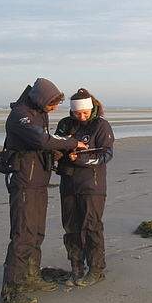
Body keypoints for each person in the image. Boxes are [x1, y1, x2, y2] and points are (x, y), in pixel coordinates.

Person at [0, 78, 88, 303]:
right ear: (41, 100)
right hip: (24, 183)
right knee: (23, 234)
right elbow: (41, 139)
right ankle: (12, 291)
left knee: (37, 233)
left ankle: (31, 277)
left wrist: (55, 153)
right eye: (52, 103)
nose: (55, 108)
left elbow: (43, 144)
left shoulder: (39, 113)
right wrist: (70, 142)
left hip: (38, 181)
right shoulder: (20, 115)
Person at [55, 88, 114, 287]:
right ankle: (76, 268)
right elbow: (54, 147)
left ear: (92, 109)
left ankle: (96, 270)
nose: (81, 117)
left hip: (92, 185)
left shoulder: (101, 126)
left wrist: (80, 159)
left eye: (85, 113)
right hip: (68, 184)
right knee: (71, 227)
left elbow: (106, 155)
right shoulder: (64, 124)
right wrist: (63, 156)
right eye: (77, 113)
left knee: (91, 227)